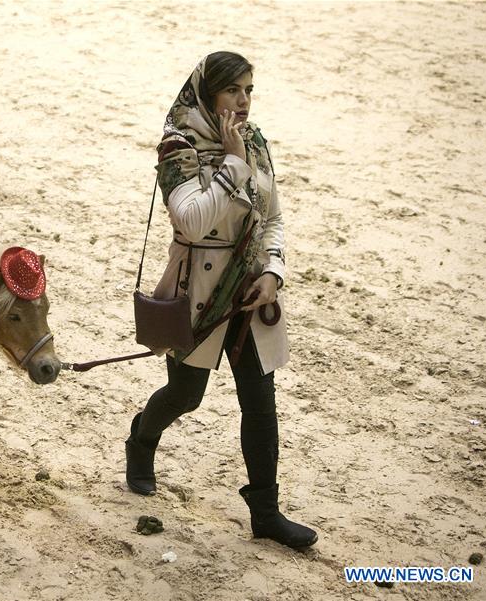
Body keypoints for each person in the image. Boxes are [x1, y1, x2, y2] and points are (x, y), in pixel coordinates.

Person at [125, 51, 318, 549]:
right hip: (200, 297)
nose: (244, 101)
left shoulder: (255, 141)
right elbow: (191, 221)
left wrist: (273, 272)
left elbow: (272, 217)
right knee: (185, 396)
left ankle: (266, 512)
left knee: (261, 403)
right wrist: (232, 164)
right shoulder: (178, 147)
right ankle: (141, 440)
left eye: (249, 90)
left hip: (250, 293)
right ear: (207, 95)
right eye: (233, 90)